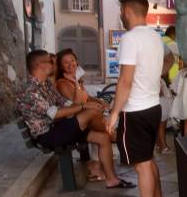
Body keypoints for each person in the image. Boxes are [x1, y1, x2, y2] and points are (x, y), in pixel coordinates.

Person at [17, 50, 133, 189]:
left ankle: (112, 179)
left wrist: (84, 102)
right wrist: (84, 106)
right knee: (91, 111)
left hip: (59, 126)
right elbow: (54, 113)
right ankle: (119, 136)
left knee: (102, 137)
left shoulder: (45, 85)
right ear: (41, 65)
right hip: (49, 135)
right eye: (51, 61)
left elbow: (66, 104)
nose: (54, 65)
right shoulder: (30, 90)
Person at [106, 0, 168, 197]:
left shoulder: (130, 39)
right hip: (153, 108)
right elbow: (170, 60)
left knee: (142, 165)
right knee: (148, 159)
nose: (121, 15)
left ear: (128, 12)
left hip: (135, 111)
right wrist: (154, 77)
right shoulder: (155, 37)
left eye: (122, 11)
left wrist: (114, 113)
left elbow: (125, 81)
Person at [55, 48, 111, 181]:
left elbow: (87, 98)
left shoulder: (76, 80)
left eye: (72, 60)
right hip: (75, 122)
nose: (71, 64)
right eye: (66, 62)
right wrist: (76, 83)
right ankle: (117, 135)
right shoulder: (63, 83)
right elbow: (78, 105)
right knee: (103, 126)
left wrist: (101, 102)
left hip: (84, 120)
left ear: (77, 61)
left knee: (102, 132)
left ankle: (95, 166)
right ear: (61, 66)